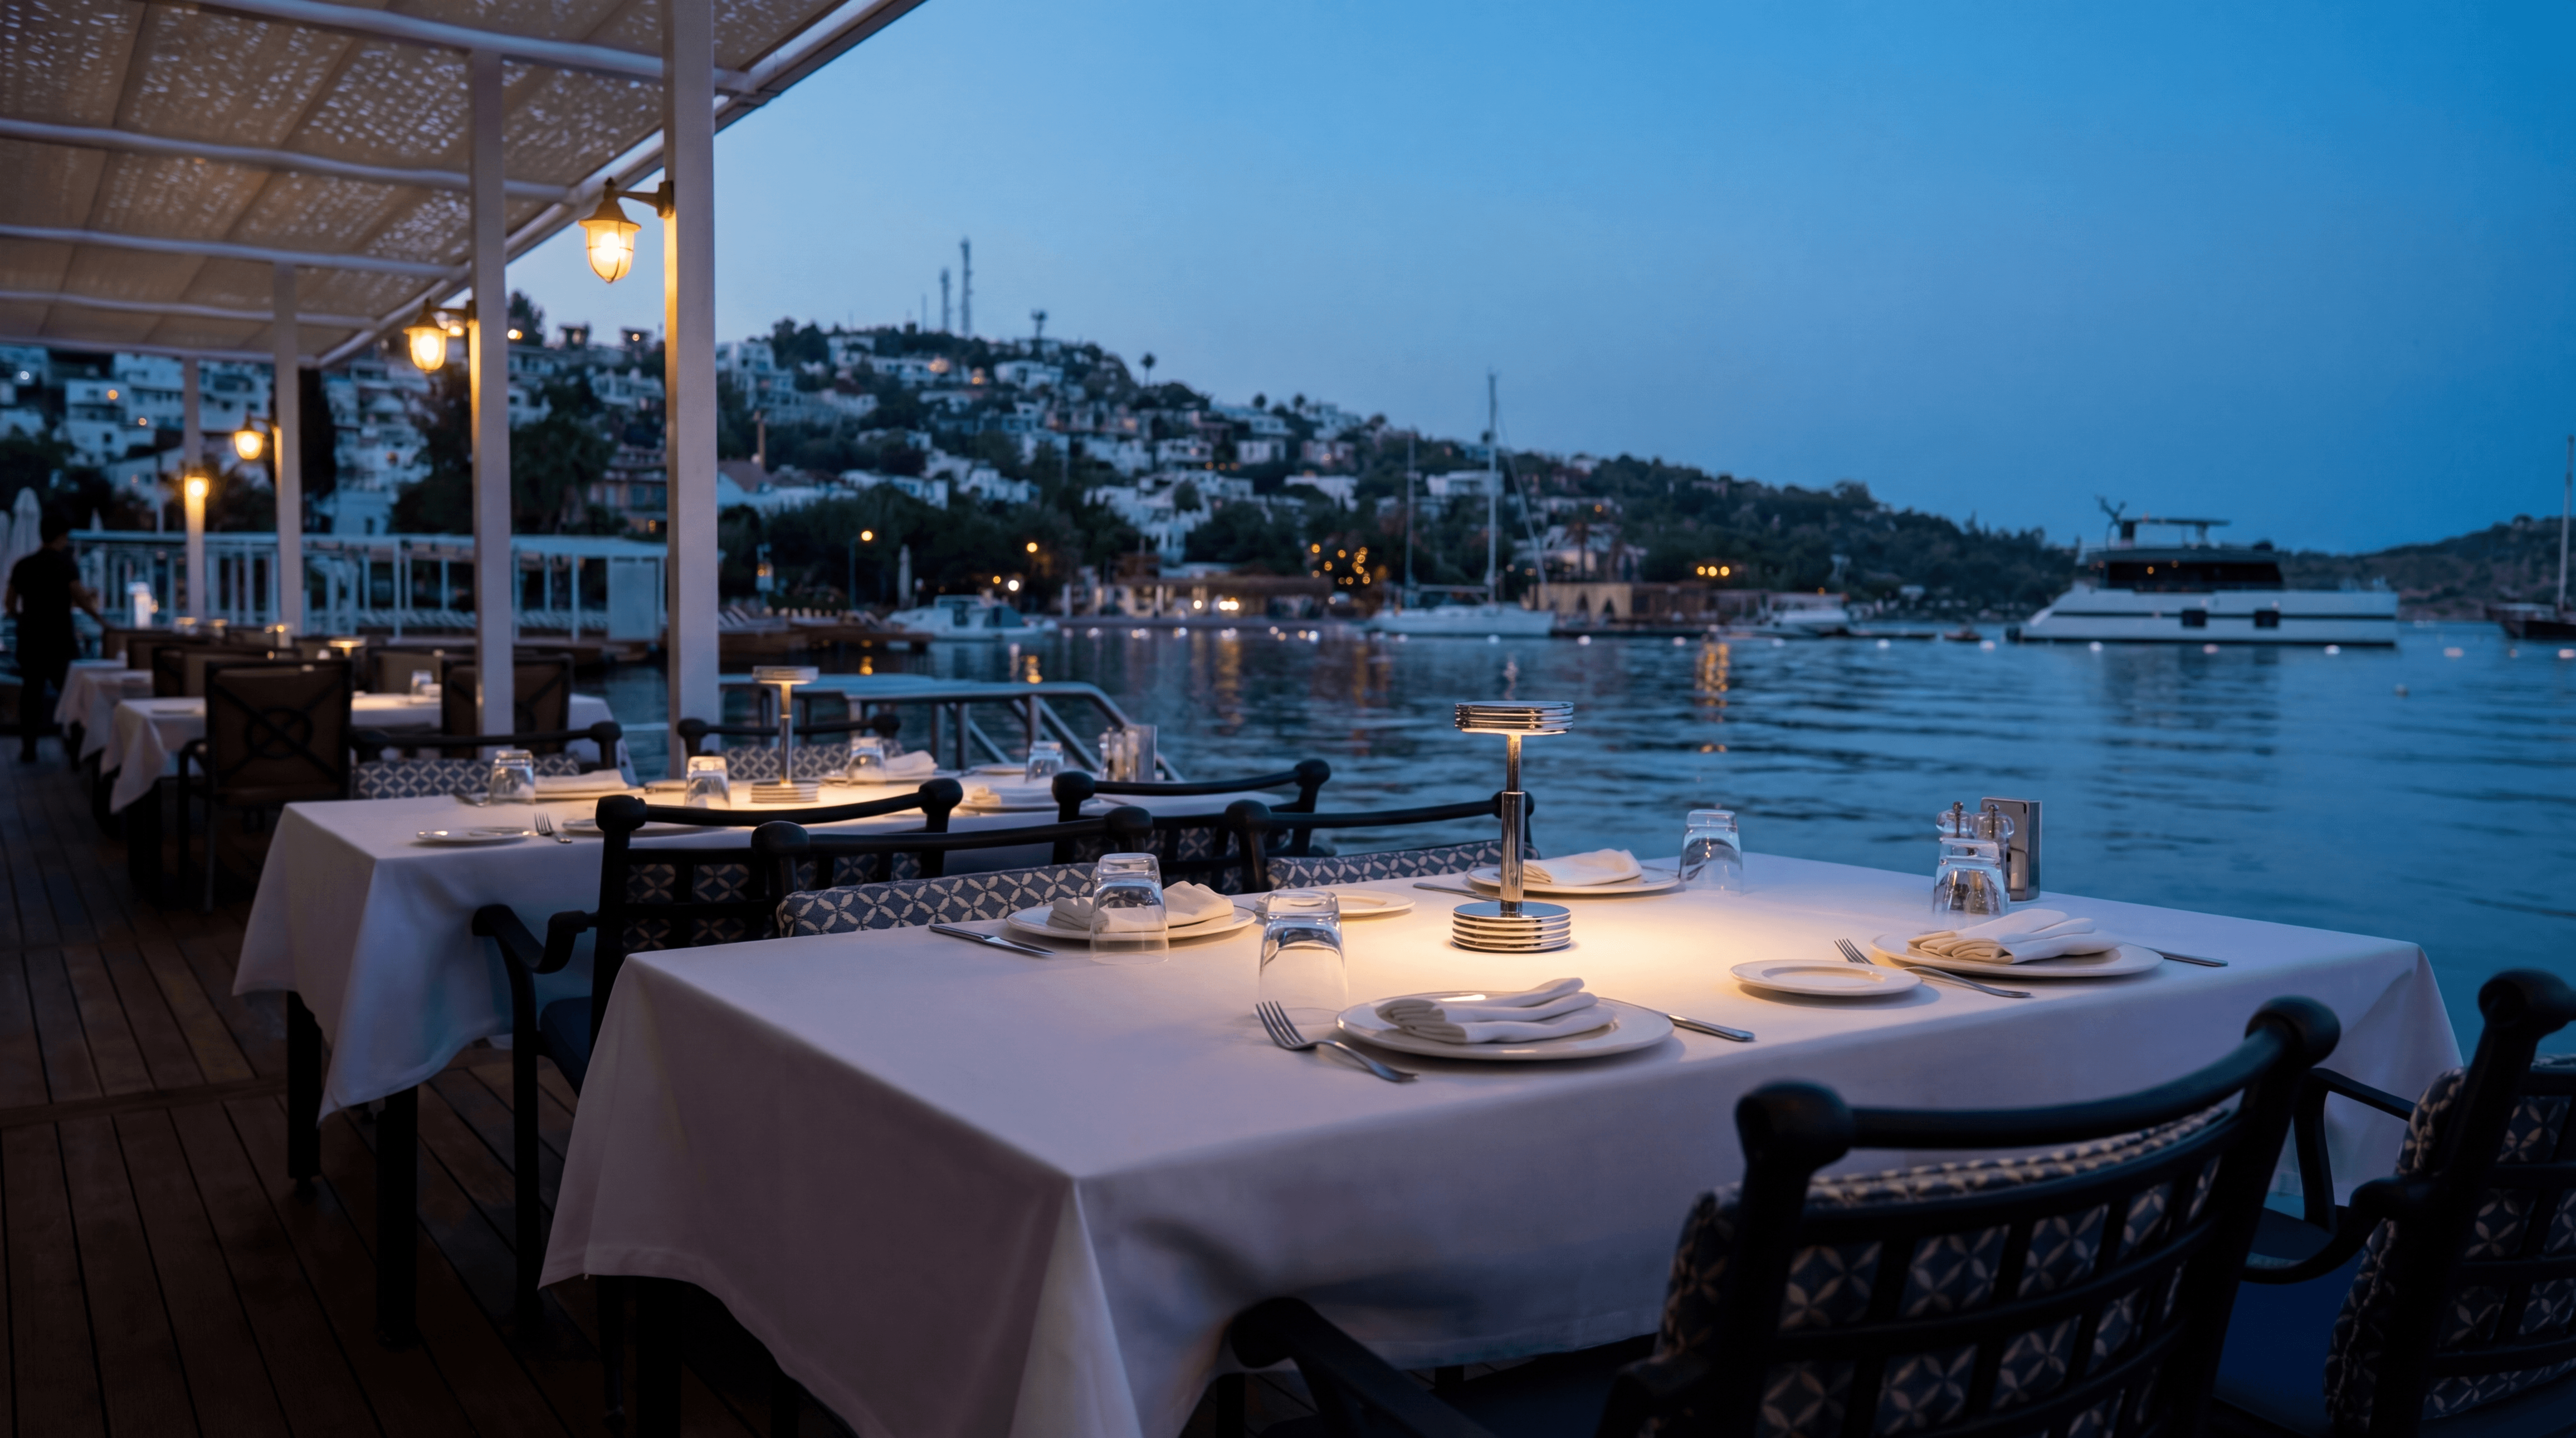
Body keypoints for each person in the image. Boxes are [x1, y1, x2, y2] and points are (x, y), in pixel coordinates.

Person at [6, 514, 103, 762]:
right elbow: (79, 597)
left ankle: (29, 748)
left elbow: (9, 603)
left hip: (31, 638)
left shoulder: (23, 565)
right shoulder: (65, 564)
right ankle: (75, 747)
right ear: (62, 536)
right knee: (70, 693)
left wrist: (22, 618)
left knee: (31, 693)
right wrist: (100, 619)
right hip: (59, 639)